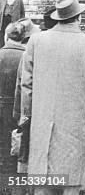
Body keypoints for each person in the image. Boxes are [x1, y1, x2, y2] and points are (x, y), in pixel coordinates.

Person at [20, 0, 85, 195]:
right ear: (79, 17)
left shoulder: (36, 41)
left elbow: (26, 85)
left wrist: (27, 116)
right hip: (75, 124)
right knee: (71, 181)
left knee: (43, 180)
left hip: (42, 122)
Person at [0, 22, 26, 182]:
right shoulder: (27, 56)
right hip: (19, 107)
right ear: (23, 37)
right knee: (16, 144)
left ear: (6, 36)